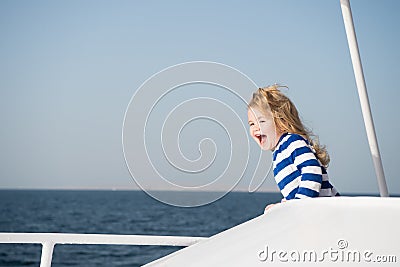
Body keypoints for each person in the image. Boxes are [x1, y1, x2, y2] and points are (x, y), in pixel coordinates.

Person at [247, 84, 339, 213]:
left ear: (282, 122)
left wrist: (298, 204)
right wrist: (286, 204)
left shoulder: (292, 142)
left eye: (261, 122)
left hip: (324, 212)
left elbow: (312, 172)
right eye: (251, 123)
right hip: (314, 212)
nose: (255, 128)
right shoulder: (279, 152)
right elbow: (297, 186)